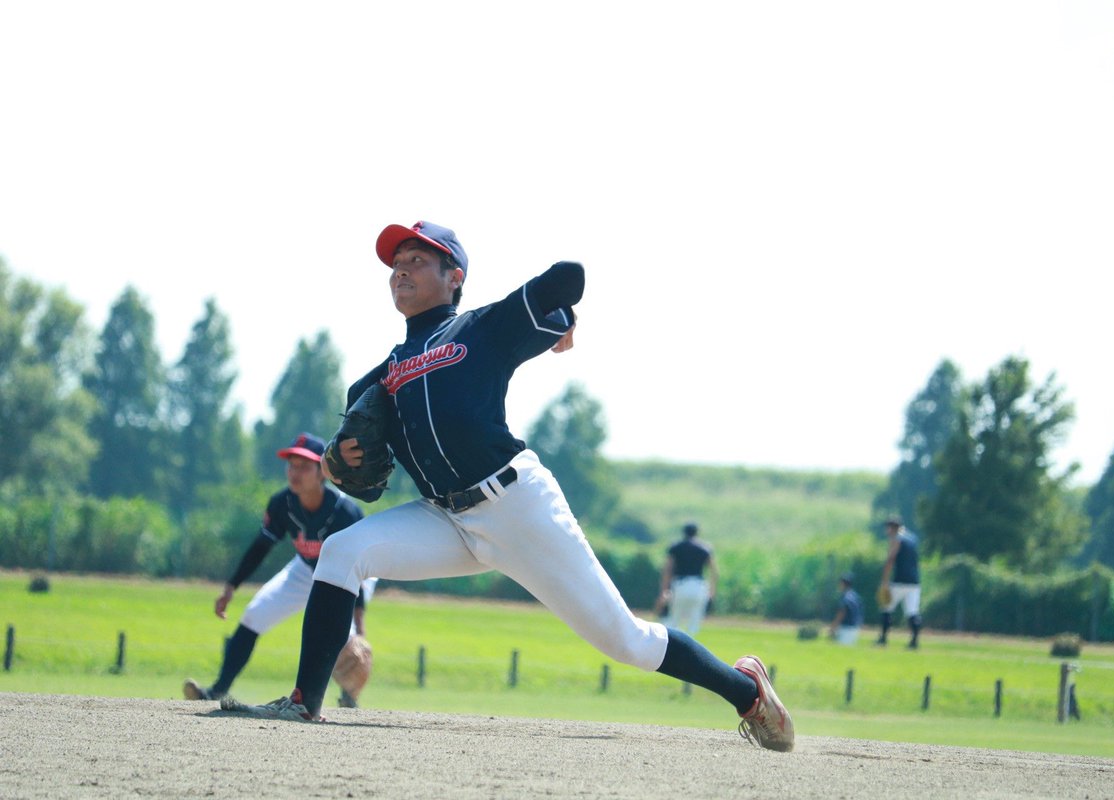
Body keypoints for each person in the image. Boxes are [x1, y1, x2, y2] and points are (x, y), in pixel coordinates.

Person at [223, 220, 794, 752]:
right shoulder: (378, 379)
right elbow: (364, 479)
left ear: (455, 278)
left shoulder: (480, 328)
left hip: (517, 505)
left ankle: (745, 690)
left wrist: (553, 316)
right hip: (444, 518)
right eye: (396, 263)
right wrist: (341, 458)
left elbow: (570, 277)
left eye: (419, 260)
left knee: (628, 643)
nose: (402, 270)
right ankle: (304, 702)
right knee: (343, 549)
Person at [183, 433, 378, 706]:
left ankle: (348, 698)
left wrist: (360, 627)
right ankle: (216, 691)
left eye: (304, 466)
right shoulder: (282, 504)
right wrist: (230, 587)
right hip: (305, 569)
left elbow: (357, 567)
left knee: (346, 643)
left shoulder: (345, 512)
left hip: (348, 574)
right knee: (254, 614)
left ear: (322, 472)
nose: (294, 472)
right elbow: (261, 547)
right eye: (291, 465)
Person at [654, 521, 718, 636]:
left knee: (673, 618)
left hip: (680, 585)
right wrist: (712, 591)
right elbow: (714, 571)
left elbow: (668, 570)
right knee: (695, 620)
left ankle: (671, 645)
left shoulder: (676, 547)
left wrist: (664, 591)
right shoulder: (705, 548)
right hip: (699, 586)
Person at [876, 516, 921, 649]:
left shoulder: (896, 539)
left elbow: (890, 560)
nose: (887, 530)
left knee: (887, 608)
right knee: (912, 612)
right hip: (914, 582)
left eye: (888, 527)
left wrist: (884, 581)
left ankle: (883, 638)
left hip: (899, 581)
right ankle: (914, 641)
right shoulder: (913, 538)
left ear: (893, 528)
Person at [828, 572, 863, 645]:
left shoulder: (845, 596)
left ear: (843, 584)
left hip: (846, 629)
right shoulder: (855, 596)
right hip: (855, 629)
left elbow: (842, 612)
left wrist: (833, 627)